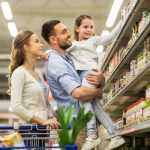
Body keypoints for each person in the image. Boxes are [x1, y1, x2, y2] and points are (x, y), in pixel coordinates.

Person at [41, 20, 104, 150]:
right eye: (64, 32)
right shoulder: (56, 62)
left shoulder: (68, 56)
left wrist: (101, 80)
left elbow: (89, 78)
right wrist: (99, 92)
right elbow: (77, 93)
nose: (69, 34)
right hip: (76, 126)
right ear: (53, 39)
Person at [66, 14, 126, 150]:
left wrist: (122, 19)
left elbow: (110, 37)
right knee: (96, 108)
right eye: (85, 27)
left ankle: (92, 135)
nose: (89, 30)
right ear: (77, 28)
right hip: (80, 76)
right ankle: (115, 134)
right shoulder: (73, 46)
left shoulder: (93, 40)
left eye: (91, 27)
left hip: (89, 73)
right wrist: (45, 55)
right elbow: (60, 52)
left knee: (84, 100)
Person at [8, 30, 59, 148]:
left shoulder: (38, 73)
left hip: (41, 131)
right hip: (29, 130)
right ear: (26, 47)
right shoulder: (19, 73)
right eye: (36, 41)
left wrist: (51, 118)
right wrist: (42, 121)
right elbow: (16, 106)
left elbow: (45, 102)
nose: (41, 45)